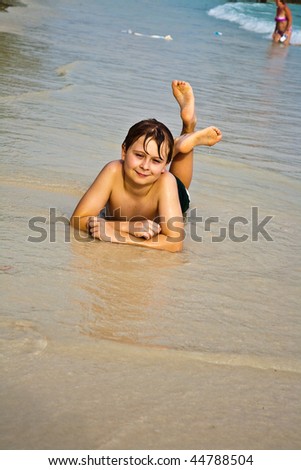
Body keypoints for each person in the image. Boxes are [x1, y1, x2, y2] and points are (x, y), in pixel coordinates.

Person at [70, 80, 222, 252]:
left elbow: (175, 243)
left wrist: (118, 235)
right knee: (157, 157)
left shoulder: (166, 182)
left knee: (181, 186)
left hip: (171, 190)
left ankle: (188, 127)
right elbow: (77, 220)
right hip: (152, 181)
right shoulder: (112, 171)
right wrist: (131, 227)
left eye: (156, 161)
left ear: (165, 165)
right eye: (139, 155)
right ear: (123, 152)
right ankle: (177, 145)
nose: (145, 166)